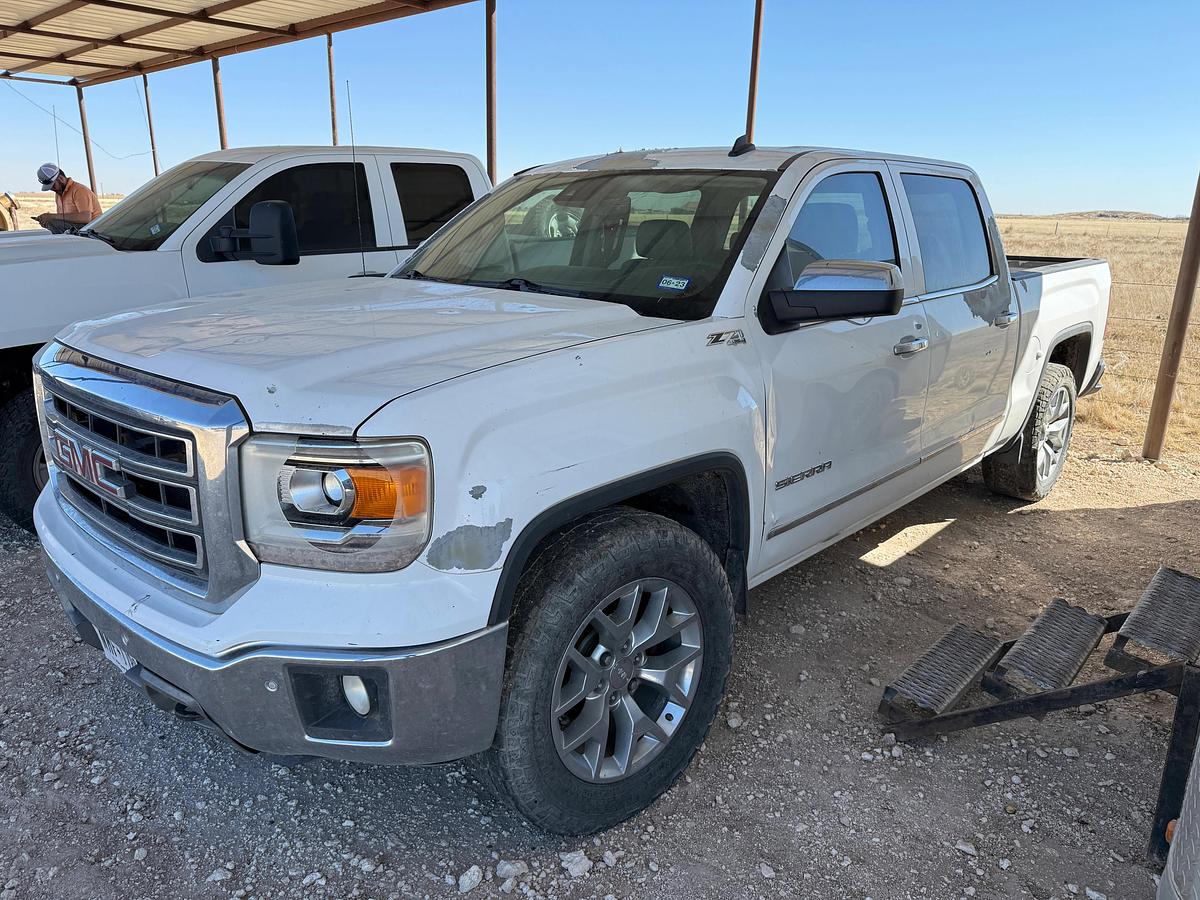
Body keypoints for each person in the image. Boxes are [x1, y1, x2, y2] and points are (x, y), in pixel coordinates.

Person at [34, 163, 102, 232]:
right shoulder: (58, 194)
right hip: (76, 229)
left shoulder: (79, 190)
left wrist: (51, 216)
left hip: (91, 230)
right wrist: (47, 218)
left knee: (52, 222)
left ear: (61, 179)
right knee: (50, 222)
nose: (52, 189)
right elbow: (62, 218)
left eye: (53, 185)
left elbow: (86, 218)